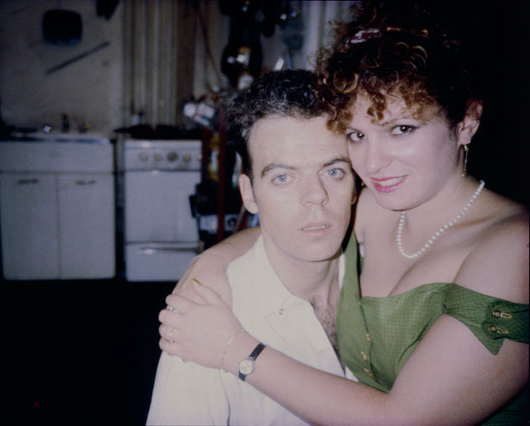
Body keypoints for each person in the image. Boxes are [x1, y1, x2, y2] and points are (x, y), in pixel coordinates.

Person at [158, 1, 529, 424]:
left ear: (466, 121)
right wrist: (212, 263)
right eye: (357, 135)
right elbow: (300, 219)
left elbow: (404, 420)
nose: (372, 163)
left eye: (401, 129)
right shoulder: (376, 205)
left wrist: (235, 350)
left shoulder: (515, 247)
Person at [147, 69, 359, 425]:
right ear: (249, 194)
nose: (315, 197)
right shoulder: (205, 320)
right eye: (283, 177)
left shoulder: (385, 272)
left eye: (333, 171)